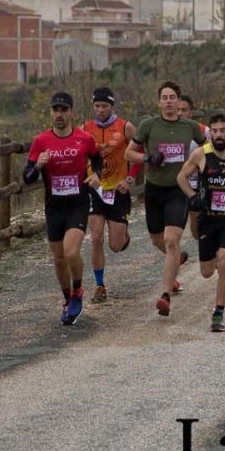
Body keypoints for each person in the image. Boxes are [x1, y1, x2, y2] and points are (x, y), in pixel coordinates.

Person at [126, 81, 206, 317]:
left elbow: (207, 149)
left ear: (179, 101)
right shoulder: (149, 125)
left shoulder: (190, 127)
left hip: (177, 189)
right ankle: (177, 259)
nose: (169, 101)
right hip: (154, 189)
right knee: (156, 239)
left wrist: (205, 168)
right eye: (165, 97)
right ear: (159, 101)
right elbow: (128, 152)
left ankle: (165, 295)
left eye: (173, 97)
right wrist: (148, 158)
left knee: (171, 240)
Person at [23, 92, 103, 325]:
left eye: (63, 110)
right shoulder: (41, 141)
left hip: (78, 203)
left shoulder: (84, 138)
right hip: (54, 207)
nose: (59, 115)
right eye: (55, 110)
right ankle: (67, 297)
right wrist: (38, 166)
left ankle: (78, 291)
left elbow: (97, 159)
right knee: (58, 258)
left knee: (71, 252)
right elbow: (27, 177)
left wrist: (96, 174)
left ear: (71, 113)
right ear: (51, 113)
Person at [177, 113, 225, 332]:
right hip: (208, 219)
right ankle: (214, 277)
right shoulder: (200, 155)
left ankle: (218, 313)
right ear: (210, 133)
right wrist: (193, 197)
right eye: (215, 131)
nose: (219, 135)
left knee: (224, 260)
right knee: (207, 271)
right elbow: (181, 177)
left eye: (223, 130)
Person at [82, 87, 135, 303]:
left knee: (115, 245)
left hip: (118, 191)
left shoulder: (125, 127)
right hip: (94, 191)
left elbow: (141, 152)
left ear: (112, 106)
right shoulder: (85, 128)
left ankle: (123, 236)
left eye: (105, 106)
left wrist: (129, 179)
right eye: (97, 106)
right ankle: (100, 285)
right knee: (95, 238)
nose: (101, 110)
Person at [178, 95, 208, 242]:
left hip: (200, 183)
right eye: (177, 109)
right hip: (179, 184)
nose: (180, 113)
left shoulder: (204, 130)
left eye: (184, 110)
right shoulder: (169, 132)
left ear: (191, 112)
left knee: (201, 223)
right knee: (192, 228)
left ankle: (211, 252)